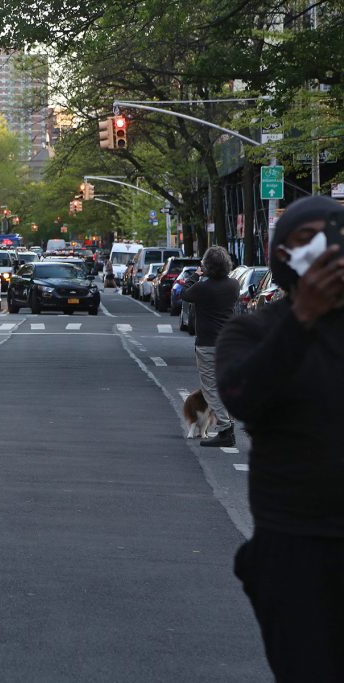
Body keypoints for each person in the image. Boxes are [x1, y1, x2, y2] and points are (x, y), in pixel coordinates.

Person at [216, 195, 344, 682]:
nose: (319, 250)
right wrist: (302, 317)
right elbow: (242, 397)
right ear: (281, 255)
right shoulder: (253, 330)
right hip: (294, 544)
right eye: (304, 240)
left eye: (330, 238)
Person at [179, 245, 238, 446]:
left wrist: (195, 275)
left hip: (207, 344)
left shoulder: (203, 288)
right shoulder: (234, 285)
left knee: (210, 388)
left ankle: (225, 430)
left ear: (207, 266)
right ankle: (229, 423)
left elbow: (184, 293)